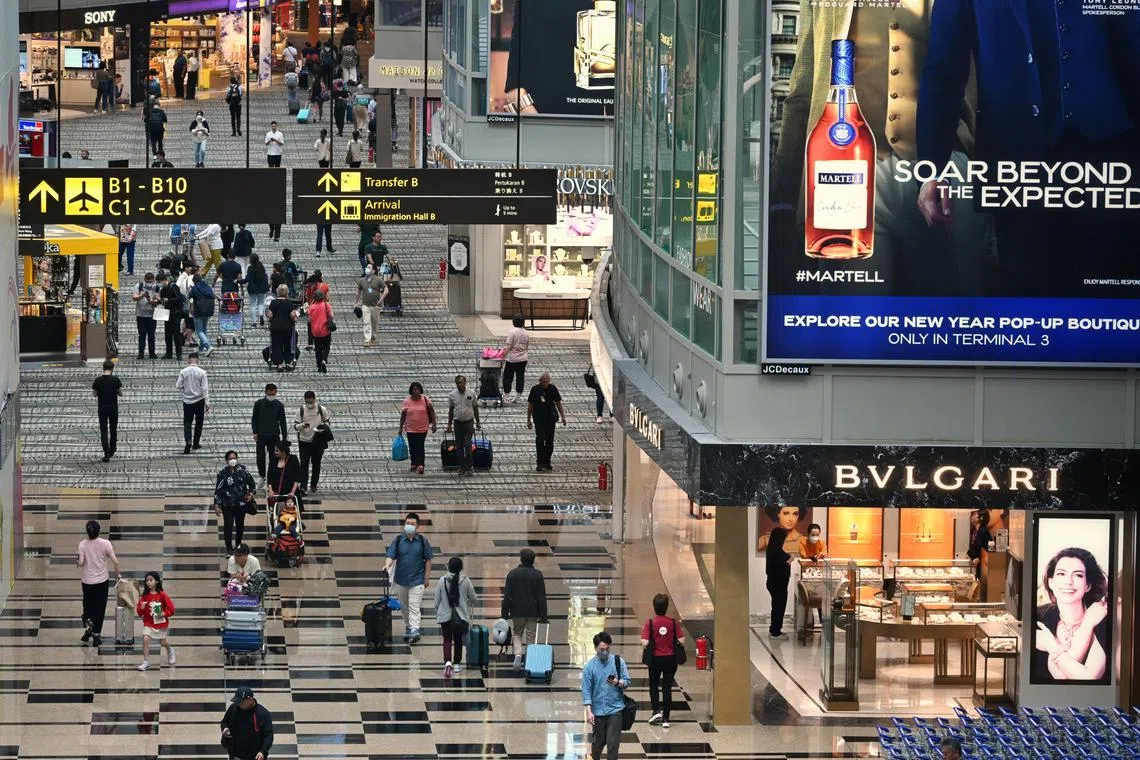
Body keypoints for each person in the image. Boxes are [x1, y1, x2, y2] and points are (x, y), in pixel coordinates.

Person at [917, 0, 1140, 297]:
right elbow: (945, 69)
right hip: (1016, 163)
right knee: (1028, 296)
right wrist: (932, 170)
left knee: (1113, 301)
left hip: (1114, 158)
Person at [769, 1, 989, 298]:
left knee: (951, 317)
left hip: (949, 166)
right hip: (843, 171)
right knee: (850, 320)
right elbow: (804, 90)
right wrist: (782, 199)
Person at [1033, 546, 1110, 681]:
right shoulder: (1038, 617)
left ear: (1088, 585)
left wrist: (1050, 644)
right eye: (1061, 574)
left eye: (1078, 575)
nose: (1068, 582)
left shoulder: (1102, 619)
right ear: (1051, 582)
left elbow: (1086, 678)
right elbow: (1060, 675)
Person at [383, 512, 434, 644]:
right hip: (401, 580)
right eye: (407, 523)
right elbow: (391, 555)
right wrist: (387, 564)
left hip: (417, 581)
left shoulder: (423, 541)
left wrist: (426, 578)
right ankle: (408, 626)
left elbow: (428, 560)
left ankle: (415, 630)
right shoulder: (398, 540)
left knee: (414, 607)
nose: (409, 526)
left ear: (417, 527)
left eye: (412, 524)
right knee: (405, 607)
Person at [581, 631, 631, 760]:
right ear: (595, 648)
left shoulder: (618, 662)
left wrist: (618, 682)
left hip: (615, 709)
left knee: (613, 745)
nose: (604, 652)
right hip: (597, 712)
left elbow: (627, 681)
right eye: (601, 649)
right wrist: (589, 711)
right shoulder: (590, 667)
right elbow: (586, 690)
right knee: (598, 743)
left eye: (607, 649)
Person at [641, 593, 684, 728]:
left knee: (653, 685)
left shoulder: (650, 623)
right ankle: (666, 718)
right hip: (671, 659)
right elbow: (682, 640)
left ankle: (656, 711)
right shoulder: (673, 622)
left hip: (655, 659)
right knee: (667, 687)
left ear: (654, 607)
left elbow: (644, 642)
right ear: (666, 607)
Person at [501, 547, 548, 670]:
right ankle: (530, 659)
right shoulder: (538, 574)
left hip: (517, 610)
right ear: (533, 560)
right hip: (533, 611)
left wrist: (504, 614)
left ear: (521, 559)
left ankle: (518, 654)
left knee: (517, 633)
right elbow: (541, 597)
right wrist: (544, 615)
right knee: (531, 635)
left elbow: (507, 595)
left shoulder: (512, 574)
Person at [78, 520, 121, 647]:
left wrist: (78, 561)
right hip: (102, 581)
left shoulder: (82, 544)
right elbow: (116, 562)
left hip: (87, 581)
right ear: (98, 530)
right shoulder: (105, 544)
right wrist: (118, 576)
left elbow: (81, 563)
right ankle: (96, 635)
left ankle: (88, 622)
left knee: (88, 604)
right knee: (100, 607)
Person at [434, 556, 478, 678]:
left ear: (448, 566)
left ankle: (447, 662)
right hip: (460, 617)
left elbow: (437, 600)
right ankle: (457, 663)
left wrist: (437, 610)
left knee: (447, 640)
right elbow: (474, 597)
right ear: (461, 568)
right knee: (458, 640)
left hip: (445, 616)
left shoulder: (442, 580)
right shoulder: (465, 581)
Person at [213, 451, 256, 554]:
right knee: (228, 525)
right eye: (230, 458)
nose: (233, 460)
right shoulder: (223, 473)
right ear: (226, 460)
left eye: (234, 458)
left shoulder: (243, 470)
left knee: (240, 525)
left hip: (241, 504)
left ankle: (238, 545)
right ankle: (228, 548)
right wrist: (216, 504)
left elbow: (252, 483)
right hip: (227, 504)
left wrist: (251, 493)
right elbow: (218, 489)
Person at [135, 571, 176, 671]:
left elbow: (171, 609)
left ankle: (170, 650)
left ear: (156, 581)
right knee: (145, 639)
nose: (148, 582)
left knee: (163, 642)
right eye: (147, 580)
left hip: (160, 623)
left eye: (151, 580)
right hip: (148, 622)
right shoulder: (144, 596)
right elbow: (140, 613)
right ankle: (146, 661)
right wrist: (142, 607)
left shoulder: (162, 595)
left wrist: (163, 613)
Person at [526, 372, 567, 472]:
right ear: (540, 381)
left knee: (549, 441)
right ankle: (540, 462)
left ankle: (547, 461)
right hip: (538, 418)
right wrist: (528, 419)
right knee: (540, 439)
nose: (545, 384)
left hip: (550, 418)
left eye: (547, 382)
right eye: (543, 382)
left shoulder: (552, 389)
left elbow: (558, 403)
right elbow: (530, 405)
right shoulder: (535, 390)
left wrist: (563, 416)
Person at [220, 687, 274, 760]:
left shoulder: (263, 714)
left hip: (255, 756)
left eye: (241, 702)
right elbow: (224, 721)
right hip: (235, 754)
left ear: (250, 699)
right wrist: (225, 728)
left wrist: (263, 751)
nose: (239, 704)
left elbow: (268, 736)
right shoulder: (234, 708)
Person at [295, 391, 331, 494]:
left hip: (317, 441)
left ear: (315, 399)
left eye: (311, 401)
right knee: (304, 464)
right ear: (305, 400)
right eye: (308, 402)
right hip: (304, 441)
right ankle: (303, 486)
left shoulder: (321, 409)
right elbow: (295, 426)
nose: (310, 404)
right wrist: (302, 425)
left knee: (316, 464)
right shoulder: (301, 410)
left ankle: (314, 485)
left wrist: (322, 428)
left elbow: (327, 422)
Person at [251, 383, 288, 483]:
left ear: (276, 392)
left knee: (274, 457)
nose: (271, 396)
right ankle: (262, 475)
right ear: (266, 392)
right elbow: (254, 419)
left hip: (274, 435)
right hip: (261, 435)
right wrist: (255, 432)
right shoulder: (259, 403)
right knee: (260, 456)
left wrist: (284, 437)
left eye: (273, 394)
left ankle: (272, 476)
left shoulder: (279, 405)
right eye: (270, 394)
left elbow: (283, 421)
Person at [445, 375, 481, 476]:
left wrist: (478, 422)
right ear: (456, 384)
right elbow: (451, 411)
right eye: (458, 383)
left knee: (467, 445)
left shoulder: (471, 393)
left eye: (461, 382)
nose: (460, 384)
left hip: (469, 422)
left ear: (465, 383)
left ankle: (470, 467)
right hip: (457, 423)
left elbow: (475, 408)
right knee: (459, 446)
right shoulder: (452, 395)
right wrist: (449, 424)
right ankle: (462, 466)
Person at [176, 353, 210, 454]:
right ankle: (196, 443)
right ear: (197, 360)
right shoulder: (202, 372)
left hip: (187, 400)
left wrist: (186, 388)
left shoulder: (183, 371)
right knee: (199, 422)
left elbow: (178, 385)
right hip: (199, 400)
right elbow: (205, 388)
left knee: (187, 422)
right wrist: (207, 403)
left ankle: (188, 441)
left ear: (188, 360)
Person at [399, 382, 436, 474]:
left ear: (420, 390)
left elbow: (432, 412)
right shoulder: (407, 401)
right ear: (411, 390)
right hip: (410, 428)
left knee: (420, 445)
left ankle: (421, 464)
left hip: (422, 427)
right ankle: (414, 463)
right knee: (412, 446)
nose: (416, 391)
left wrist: (434, 424)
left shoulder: (425, 399)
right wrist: (400, 427)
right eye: (414, 389)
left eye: (417, 389)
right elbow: (403, 415)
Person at [91, 360, 122, 463]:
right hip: (113, 408)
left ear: (103, 368)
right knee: (113, 429)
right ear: (112, 369)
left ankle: (106, 453)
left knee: (103, 431)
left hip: (102, 408)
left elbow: (95, 394)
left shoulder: (97, 381)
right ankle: (113, 449)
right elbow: (120, 393)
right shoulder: (115, 380)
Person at [766, 525, 793, 639]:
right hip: (778, 584)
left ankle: (774, 628)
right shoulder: (776, 551)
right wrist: (790, 559)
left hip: (773, 583)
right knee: (779, 607)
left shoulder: (771, 548)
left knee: (776, 606)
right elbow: (783, 563)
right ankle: (776, 632)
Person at [266, 285, 299, 371]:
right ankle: (287, 362)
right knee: (287, 344)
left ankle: (279, 364)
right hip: (287, 327)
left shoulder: (273, 303)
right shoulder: (289, 302)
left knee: (277, 345)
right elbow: (292, 315)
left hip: (276, 327)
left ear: (277, 292)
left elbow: (270, 315)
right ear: (287, 292)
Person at [267, 440, 303, 512]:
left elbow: (297, 477)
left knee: (294, 515)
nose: (275, 452)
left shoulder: (293, 459)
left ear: (283, 451)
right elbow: (269, 478)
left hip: (291, 493)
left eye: (277, 451)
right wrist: (270, 491)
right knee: (278, 514)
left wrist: (293, 491)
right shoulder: (273, 461)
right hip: (277, 493)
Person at [354, 265, 385, 346]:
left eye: (369, 267)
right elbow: (358, 292)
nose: (367, 269)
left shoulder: (378, 280)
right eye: (366, 267)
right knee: (366, 322)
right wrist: (356, 303)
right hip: (365, 305)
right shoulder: (362, 280)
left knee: (374, 322)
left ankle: (373, 337)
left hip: (375, 305)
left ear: (373, 271)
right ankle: (367, 339)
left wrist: (381, 299)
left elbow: (386, 289)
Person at [132, 272, 161, 359]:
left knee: (151, 335)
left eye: (151, 281)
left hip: (152, 315)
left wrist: (151, 300)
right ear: (144, 280)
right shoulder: (139, 286)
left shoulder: (156, 287)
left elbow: (158, 301)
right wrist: (142, 295)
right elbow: (134, 298)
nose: (149, 283)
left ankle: (152, 353)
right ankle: (141, 353)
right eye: (147, 281)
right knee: (142, 335)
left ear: (153, 280)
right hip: (140, 315)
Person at [502, 315, 529, 403]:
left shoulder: (512, 332)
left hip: (512, 359)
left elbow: (508, 346)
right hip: (523, 359)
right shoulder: (526, 333)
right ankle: (518, 397)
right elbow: (526, 347)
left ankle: (506, 396)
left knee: (508, 377)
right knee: (520, 377)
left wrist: (502, 356)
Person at [158, 273, 185, 360]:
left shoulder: (173, 286)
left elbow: (179, 298)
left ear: (165, 280)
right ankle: (168, 353)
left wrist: (168, 300)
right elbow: (162, 301)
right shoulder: (163, 290)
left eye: (161, 281)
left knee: (176, 334)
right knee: (167, 334)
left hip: (175, 313)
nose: (160, 283)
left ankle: (179, 354)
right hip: (167, 313)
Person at [189, 275, 216, 356]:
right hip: (208, 310)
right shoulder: (208, 287)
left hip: (199, 310)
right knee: (204, 329)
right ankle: (201, 348)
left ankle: (208, 346)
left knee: (199, 330)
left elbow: (189, 297)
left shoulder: (195, 288)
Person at [308, 290, 334, 373]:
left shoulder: (311, 307)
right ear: (323, 297)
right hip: (325, 330)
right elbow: (332, 316)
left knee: (318, 348)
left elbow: (309, 319)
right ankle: (324, 360)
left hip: (315, 331)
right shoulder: (326, 305)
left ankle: (319, 366)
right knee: (326, 346)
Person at [242, 253, 270, 328]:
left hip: (253, 288)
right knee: (261, 303)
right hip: (261, 288)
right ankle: (261, 314)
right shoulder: (261, 267)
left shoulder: (250, 268)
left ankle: (254, 322)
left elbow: (247, 279)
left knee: (253, 305)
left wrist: (238, 281)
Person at [967, 510, 992, 580]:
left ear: (980, 518)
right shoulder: (974, 530)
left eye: (975, 515)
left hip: (983, 565)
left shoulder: (984, 531)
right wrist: (969, 553)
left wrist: (979, 558)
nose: (972, 517)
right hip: (976, 563)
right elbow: (973, 545)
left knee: (981, 580)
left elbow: (988, 548)